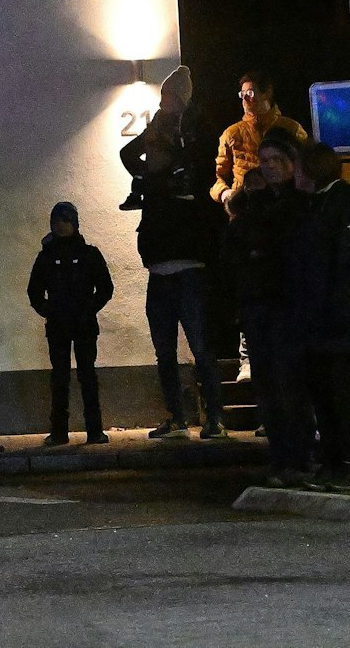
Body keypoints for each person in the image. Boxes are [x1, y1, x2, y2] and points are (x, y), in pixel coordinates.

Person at [121, 66, 228, 440]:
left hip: (189, 263)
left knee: (201, 347)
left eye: (170, 97)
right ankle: (177, 416)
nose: (164, 103)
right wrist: (155, 176)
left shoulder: (196, 132)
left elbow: (205, 176)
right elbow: (127, 152)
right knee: (164, 351)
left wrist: (176, 175)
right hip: (160, 265)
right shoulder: (158, 130)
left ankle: (214, 417)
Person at [222, 128, 313, 486]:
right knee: (270, 388)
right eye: (265, 161)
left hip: (287, 307)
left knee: (292, 387)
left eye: (278, 160)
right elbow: (232, 253)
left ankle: (300, 459)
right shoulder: (253, 205)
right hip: (259, 305)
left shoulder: (300, 203)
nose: (271, 168)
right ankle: (281, 459)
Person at [284, 142, 350, 491]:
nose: (296, 174)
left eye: (299, 166)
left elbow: (341, 266)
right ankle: (335, 462)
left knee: (341, 392)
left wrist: (332, 312)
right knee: (323, 392)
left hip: (337, 320)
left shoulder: (339, 204)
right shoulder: (317, 204)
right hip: (320, 320)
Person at [26, 202, 113, 446]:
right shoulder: (46, 256)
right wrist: (49, 312)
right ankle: (59, 431)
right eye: (56, 221)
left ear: (74, 223)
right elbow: (34, 291)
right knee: (60, 377)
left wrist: (89, 309)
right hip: (58, 326)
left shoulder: (89, 254)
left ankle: (94, 430)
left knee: (88, 375)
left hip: (84, 324)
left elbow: (105, 287)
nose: (60, 226)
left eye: (65, 221)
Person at [210, 72, 309, 210]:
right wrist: (224, 192)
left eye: (250, 93)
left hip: (284, 204)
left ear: (267, 93)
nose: (244, 98)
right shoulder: (232, 133)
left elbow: (307, 166)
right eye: (242, 94)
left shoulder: (291, 128)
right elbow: (217, 175)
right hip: (245, 207)